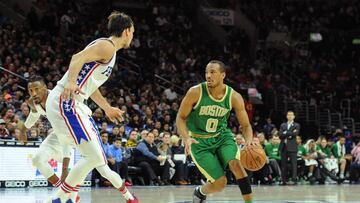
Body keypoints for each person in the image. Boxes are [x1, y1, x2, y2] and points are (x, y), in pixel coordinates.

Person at [45, 11, 138, 203]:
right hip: (66, 101)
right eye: (133, 32)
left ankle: (62, 199)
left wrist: (106, 107)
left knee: (94, 157)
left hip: (72, 102)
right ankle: (58, 199)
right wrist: (71, 81)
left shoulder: (108, 50)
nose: (133, 36)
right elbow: (76, 58)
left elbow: (90, 86)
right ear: (127, 31)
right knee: (94, 157)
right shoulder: (107, 46)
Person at [176, 60, 256, 203]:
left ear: (222, 75)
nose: (208, 75)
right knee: (220, 183)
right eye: (206, 72)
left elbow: (246, 125)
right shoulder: (195, 92)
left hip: (222, 137)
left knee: (236, 165)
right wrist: (186, 137)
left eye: (212, 72)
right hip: (199, 141)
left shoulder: (234, 96)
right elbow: (180, 118)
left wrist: (249, 141)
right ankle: (200, 191)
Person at [25, 76, 80, 203]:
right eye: (30, 90)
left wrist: (65, 168)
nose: (33, 93)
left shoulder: (57, 98)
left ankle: (127, 196)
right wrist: (24, 129)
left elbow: (66, 130)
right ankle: (64, 190)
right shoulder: (34, 101)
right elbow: (34, 115)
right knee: (37, 160)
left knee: (99, 166)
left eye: (37, 89)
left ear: (45, 88)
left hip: (76, 132)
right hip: (59, 133)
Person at [279, 111, 300, 185]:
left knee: (294, 164)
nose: (290, 116)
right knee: (283, 165)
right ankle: (283, 180)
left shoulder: (296, 125)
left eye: (291, 115)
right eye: (288, 115)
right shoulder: (283, 125)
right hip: (283, 146)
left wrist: (286, 133)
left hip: (292, 147)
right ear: (286, 116)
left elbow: (295, 133)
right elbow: (280, 135)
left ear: (294, 116)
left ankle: (294, 179)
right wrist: (290, 133)